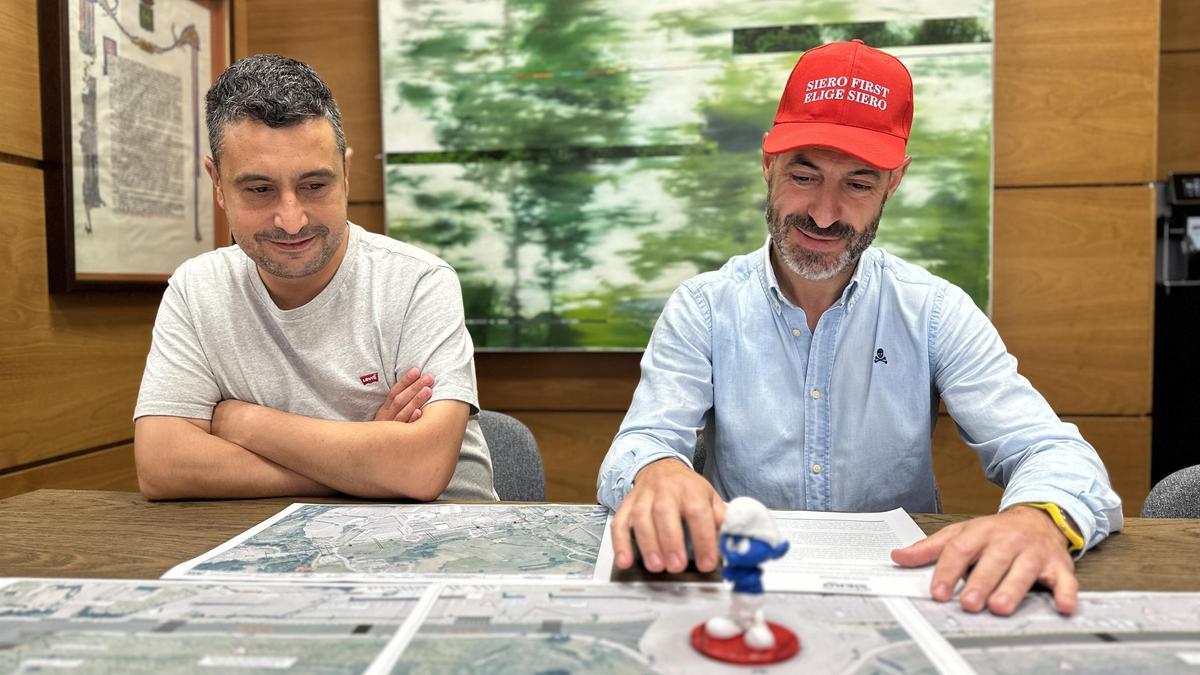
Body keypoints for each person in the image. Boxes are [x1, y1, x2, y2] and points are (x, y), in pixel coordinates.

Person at [597, 40, 1122, 616]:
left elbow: (1047, 449)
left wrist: (1037, 519)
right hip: (736, 593)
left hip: (902, 599)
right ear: (767, 165)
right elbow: (641, 442)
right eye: (804, 174)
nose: (824, 213)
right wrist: (657, 472)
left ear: (894, 182)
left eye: (858, 184)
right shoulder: (704, 306)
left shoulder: (935, 311)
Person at [133, 55, 496, 502]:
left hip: (441, 544)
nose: (291, 220)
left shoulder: (418, 283)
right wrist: (363, 467)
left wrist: (245, 423)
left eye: (314, 186)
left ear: (345, 173)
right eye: (260, 190)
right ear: (217, 184)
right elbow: (161, 465)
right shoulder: (196, 289)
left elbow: (420, 469)